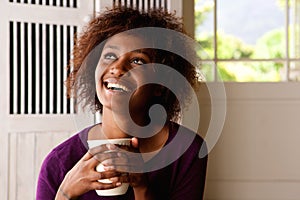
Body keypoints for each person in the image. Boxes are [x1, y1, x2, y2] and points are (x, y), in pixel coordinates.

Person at [36, 6, 207, 200]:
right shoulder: (59, 162)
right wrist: (66, 192)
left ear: (161, 84)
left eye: (137, 61)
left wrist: (142, 187)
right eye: (109, 56)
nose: (117, 69)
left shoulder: (185, 150)